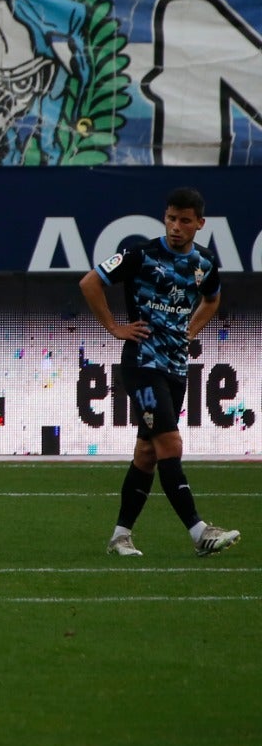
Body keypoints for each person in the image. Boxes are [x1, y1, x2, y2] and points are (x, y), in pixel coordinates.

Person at [80, 187, 240, 558]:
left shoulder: (204, 263)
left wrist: (190, 332)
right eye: (171, 218)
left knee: (147, 454)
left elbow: (212, 298)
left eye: (185, 220)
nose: (176, 227)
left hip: (176, 367)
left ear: (200, 224)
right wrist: (115, 328)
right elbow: (90, 282)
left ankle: (120, 536)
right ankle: (200, 532)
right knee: (170, 444)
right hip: (142, 363)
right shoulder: (141, 255)